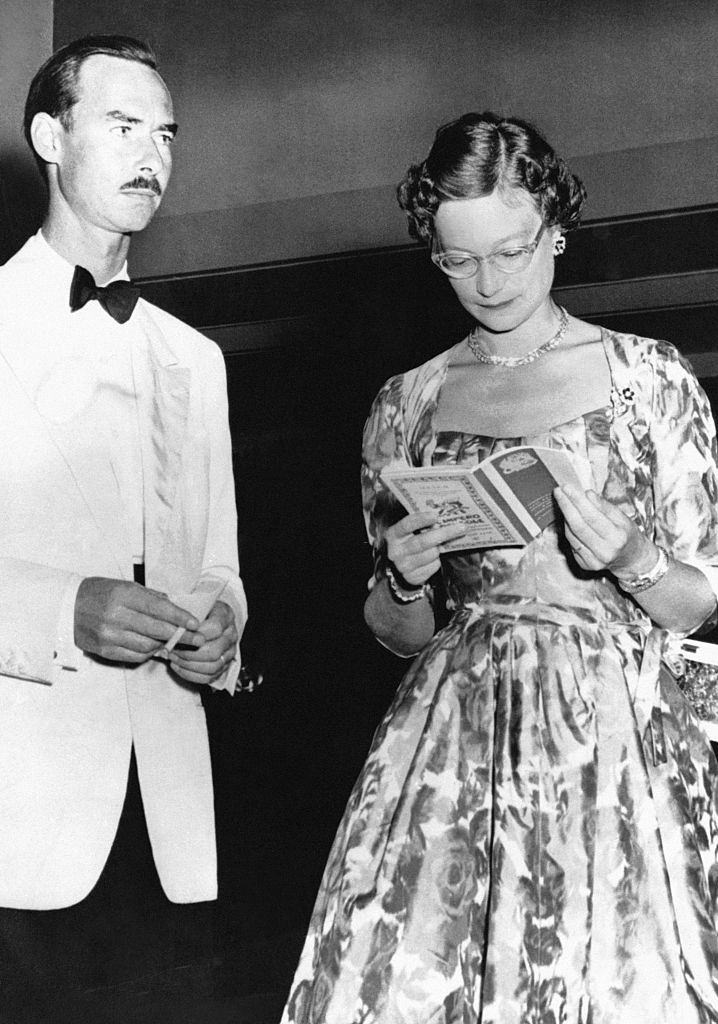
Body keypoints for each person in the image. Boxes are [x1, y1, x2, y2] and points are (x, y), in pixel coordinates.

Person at [282, 112, 718, 1023]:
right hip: (453, 735)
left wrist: (633, 557)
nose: (489, 283)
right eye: (459, 260)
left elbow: (694, 602)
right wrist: (401, 579)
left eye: (513, 251)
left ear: (557, 226)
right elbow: (398, 634)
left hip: (615, 735)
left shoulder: (651, 380)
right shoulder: (408, 403)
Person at [0, 34, 246, 1009]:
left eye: (168, 132)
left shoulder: (198, 359)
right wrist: (65, 609)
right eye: (123, 123)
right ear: (50, 136)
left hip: (171, 823)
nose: (154, 153)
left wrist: (221, 629)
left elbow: (216, 568)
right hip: (21, 823)